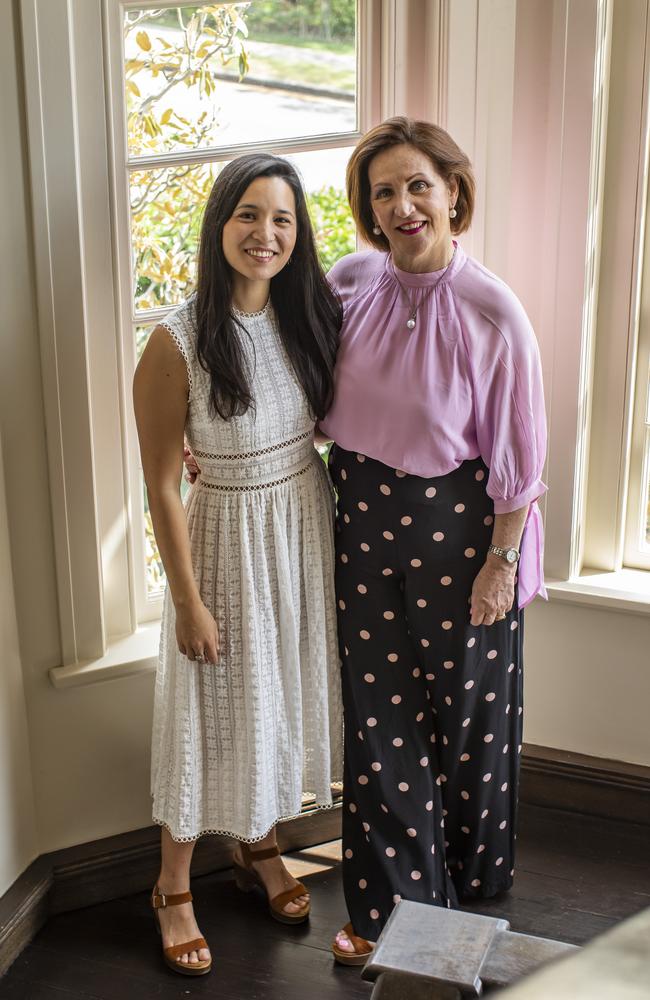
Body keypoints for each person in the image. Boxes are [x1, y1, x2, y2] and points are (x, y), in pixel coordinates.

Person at [318, 117, 547, 964]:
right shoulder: (347, 282)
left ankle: (473, 882)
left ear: (453, 191)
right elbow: (298, 388)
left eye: (419, 185)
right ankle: (390, 908)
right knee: (380, 717)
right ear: (369, 209)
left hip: (463, 528)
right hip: (362, 517)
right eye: (384, 191)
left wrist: (500, 563)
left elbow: (521, 459)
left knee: (469, 715)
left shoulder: (493, 308)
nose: (404, 204)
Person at [133, 153, 343, 976]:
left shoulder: (311, 315)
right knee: (207, 710)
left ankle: (259, 844)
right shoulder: (176, 340)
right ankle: (171, 887)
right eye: (249, 215)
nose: (266, 234)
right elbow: (158, 484)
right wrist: (187, 601)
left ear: (299, 234)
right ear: (221, 224)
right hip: (223, 546)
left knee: (278, 695)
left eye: (283, 219)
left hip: (301, 527)